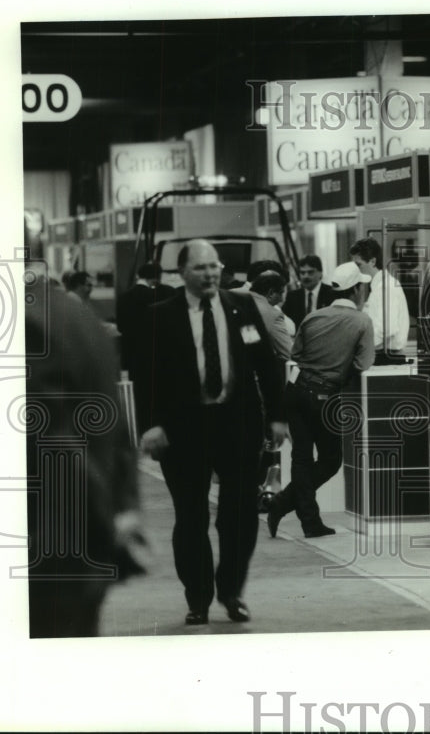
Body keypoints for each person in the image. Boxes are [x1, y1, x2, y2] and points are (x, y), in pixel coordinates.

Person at [138, 239, 286, 625]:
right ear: (182, 272)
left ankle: (232, 591)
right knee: (191, 517)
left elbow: (267, 366)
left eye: (214, 266)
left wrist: (277, 416)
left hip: (237, 425)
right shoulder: (160, 315)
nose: (209, 274)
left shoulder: (243, 307)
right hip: (183, 431)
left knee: (239, 516)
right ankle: (198, 599)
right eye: (200, 268)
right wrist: (150, 424)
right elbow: (146, 376)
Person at [26, 277, 146, 637]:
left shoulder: (22, 323)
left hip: (46, 547)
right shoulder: (78, 318)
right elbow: (116, 427)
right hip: (78, 545)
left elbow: (55, 444)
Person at [267, 262, 375, 539]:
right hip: (325, 396)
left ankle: (299, 514)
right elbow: (364, 363)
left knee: (301, 458)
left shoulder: (313, 316)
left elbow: (297, 353)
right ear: (357, 290)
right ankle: (289, 508)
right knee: (330, 459)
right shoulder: (362, 321)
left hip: (296, 391)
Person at [116, 262, 176, 430]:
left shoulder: (124, 297)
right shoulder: (165, 294)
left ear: (139, 276)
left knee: (139, 396)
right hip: (159, 354)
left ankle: (141, 429)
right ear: (158, 276)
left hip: (132, 355)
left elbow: (121, 327)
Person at [350, 237, 410, 365]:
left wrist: (360, 348)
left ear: (372, 261)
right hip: (382, 355)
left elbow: (388, 328)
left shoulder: (386, 287)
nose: (356, 270)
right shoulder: (378, 287)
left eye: (359, 265)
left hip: (387, 357)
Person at [232, 262, 295, 361]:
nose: (282, 299)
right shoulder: (273, 314)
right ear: (271, 293)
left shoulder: (228, 295)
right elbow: (290, 354)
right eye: (281, 293)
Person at [282, 254, 339, 327]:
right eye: (302, 273)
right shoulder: (292, 297)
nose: (306, 276)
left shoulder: (332, 294)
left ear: (320, 273)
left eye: (310, 272)